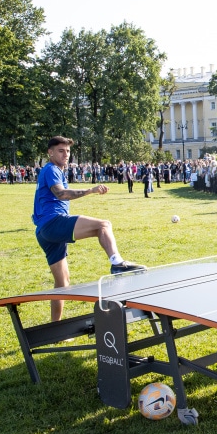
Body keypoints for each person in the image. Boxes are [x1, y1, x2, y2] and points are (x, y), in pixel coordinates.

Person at [33, 136, 145, 322]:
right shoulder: (51, 169)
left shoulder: (53, 170)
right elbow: (61, 194)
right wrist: (90, 191)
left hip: (44, 232)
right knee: (103, 225)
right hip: (53, 223)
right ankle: (117, 263)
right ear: (50, 152)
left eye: (68, 151)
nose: (66, 154)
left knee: (62, 283)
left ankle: (55, 327)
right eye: (61, 151)